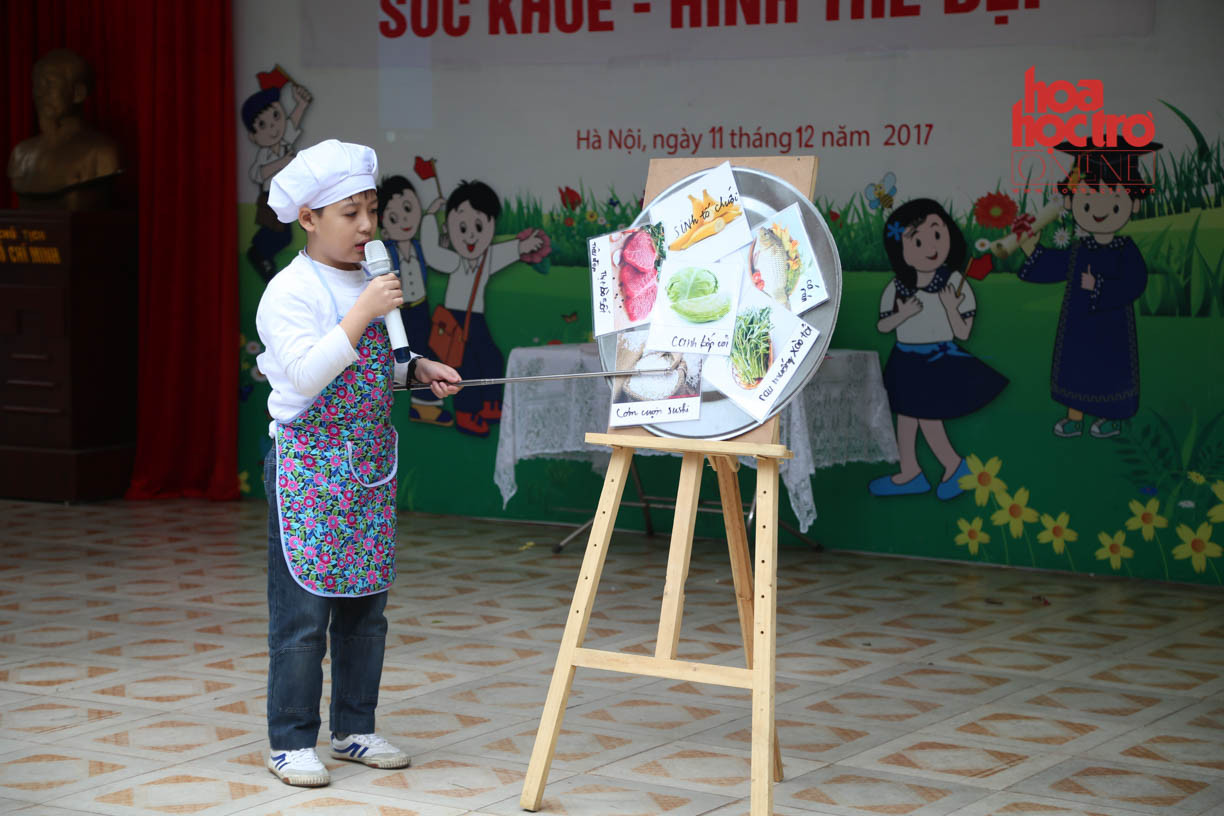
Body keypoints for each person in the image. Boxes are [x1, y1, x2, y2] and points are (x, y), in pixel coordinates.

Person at [255, 140, 460, 787]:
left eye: (371, 209)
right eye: (351, 213)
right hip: (308, 469)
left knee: (365, 612)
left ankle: (353, 729)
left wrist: (416, 369)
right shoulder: (288, 292)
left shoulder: (374, 276)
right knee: (303, 616)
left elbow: (382, 365)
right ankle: (291, 740)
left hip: (366, 468)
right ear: (308, 218)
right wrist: (362, 311)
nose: (368, 225)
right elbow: (306, 374)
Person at [1018, 139, 1159, 439]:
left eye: (1115, 203)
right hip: (1078, 324)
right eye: (1087, 202)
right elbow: (1054, 265)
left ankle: (1111, 417)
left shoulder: (1125, 250)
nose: (1099, 211)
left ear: (1133, 203)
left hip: (1112, 326)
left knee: (1110, 369)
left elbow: (1136, 282)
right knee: (1076, 366)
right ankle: (1074, 417)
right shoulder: (1080, 249)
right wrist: (1031, 248)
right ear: (1071, 203)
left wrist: (1100, 287)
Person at [870, 198, 1008, 500]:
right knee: (906, 418)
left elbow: (963, 332)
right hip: (906, 359)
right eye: (917, 241)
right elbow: (883, 326)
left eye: (936, 234)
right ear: (900, 250)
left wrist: (950, 307)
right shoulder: (897, 287)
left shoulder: (955, 283)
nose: (930, 247)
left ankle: (954, 465)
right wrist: (903, 315)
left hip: (938, 358)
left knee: (927, 416)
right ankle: (911, 471)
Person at [420, 180, 545, 436]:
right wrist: (430, 217)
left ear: (491, 226)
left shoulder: (486, 258)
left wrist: (522, 246)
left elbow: (506, 251)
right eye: (462, 228)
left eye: (479, 227)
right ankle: (466, 413)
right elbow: (431, 252)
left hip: (474, 319)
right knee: (463, 368)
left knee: (491, 357)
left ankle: (490, 404)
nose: (471, 236)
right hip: (455, 319)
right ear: (449, 227)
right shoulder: (453, 261)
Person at [376, 175, 453, 426]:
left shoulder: (420, 247)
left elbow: (435, 258)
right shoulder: (385, 252)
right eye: (394, 218)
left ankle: (424, 406)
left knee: (423, 355)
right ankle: (386, 404)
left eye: (408, 209)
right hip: (398, 313)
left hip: (420, 307)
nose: (404, 221)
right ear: (384, 227)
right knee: (397, 357)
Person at [7, 48, 121, 210]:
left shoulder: (101, 153)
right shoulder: (21, 154)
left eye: (50, 83)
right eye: (37, 84)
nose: (39, 92)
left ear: (78, 93)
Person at [242, 80, 312, 281]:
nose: (273, 128)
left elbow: (292, 125)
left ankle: (258, 251)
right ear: (253, 136)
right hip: (270, 198)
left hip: (284, 197)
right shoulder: (264, 155)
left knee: (283, 233)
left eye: (276, 116)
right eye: (263, 125)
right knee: (280, 233)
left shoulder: (284, 144)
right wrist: (283, 162)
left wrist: (301, 104)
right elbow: (257, 174)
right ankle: (258, 252)